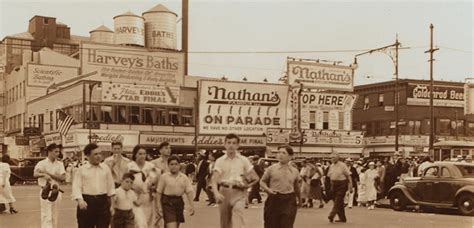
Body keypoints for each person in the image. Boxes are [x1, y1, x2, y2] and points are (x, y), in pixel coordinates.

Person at [211, 133, 258, 228]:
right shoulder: (220, 161)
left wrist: (247, 185)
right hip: (224, 192)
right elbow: (214, 179)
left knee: (238, 216)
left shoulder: (243, 160)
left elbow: (255, 177)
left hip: (239, 192)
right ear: (225, 144)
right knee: (225, 223)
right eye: (229, 142)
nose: (231, 145)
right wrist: (216, 194)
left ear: (237, 145)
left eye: (234, 143)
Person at [72, 143, 115, 228]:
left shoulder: (105, 169)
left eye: (100, 153)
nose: (99, 156)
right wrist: (80, 201)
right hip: (87, 203)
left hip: (103, 203)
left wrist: (112, 206)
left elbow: (111, 188)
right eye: (95, 154)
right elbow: (76, 187)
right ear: (87, 156)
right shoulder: (81, 170)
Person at [260, 145, 301, 228]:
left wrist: (300, 200)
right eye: (279, 153)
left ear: (290, 156)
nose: (280, 155)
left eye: (283, 153)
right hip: (274, 198)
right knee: (271, 224)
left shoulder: (294, 171)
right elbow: (262, 182)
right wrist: (268, 190)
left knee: (287, 224)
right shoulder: (271, 169)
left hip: (289, 200)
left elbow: (297, 187)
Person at [156, 156, 195, 228]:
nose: (174, 166)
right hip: (167, 203)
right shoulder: (164, 177)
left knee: (175, 225)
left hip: (179, 203)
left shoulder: (184, 177)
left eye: (176, 164)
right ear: (168, 166)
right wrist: (159, 207)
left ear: (179, 165)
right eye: (172, 164)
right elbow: (158, 193)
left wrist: (191, 205)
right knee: (171, 225)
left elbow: (189, 191)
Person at [34, 143, 66, 228]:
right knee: (45, 214)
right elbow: (35, 174)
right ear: (49, 152)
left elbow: (63, 177)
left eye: (58, 152)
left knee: (54, 215)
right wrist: (43, 175)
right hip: (45, 190)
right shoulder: (42, 163)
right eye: (55, 151)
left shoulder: (60, 164)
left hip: (56, 191)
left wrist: (49, 174)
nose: (57, 153)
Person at [128, 145, 160, 228]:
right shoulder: (129, 166)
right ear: (135, 154)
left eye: (144, 153)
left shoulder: (150, 166)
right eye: (140, 153)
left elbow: (156, 180)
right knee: (136, 221)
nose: (142, 156)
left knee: (147, 221)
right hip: (133, 197)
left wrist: (153, 186)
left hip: (147, 197)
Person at [327, 152, 353, 223]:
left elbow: (348, 176)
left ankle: (332, 214)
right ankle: (342, 218)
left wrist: (351, 186)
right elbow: (329, 176)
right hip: (333, 184)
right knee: (338, 202)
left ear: (338, 158)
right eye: (331, 158)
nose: (332, 159)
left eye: (334, 157)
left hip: (342, 184)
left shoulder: (342, 165)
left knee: (338, 199)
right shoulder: (331, 166)